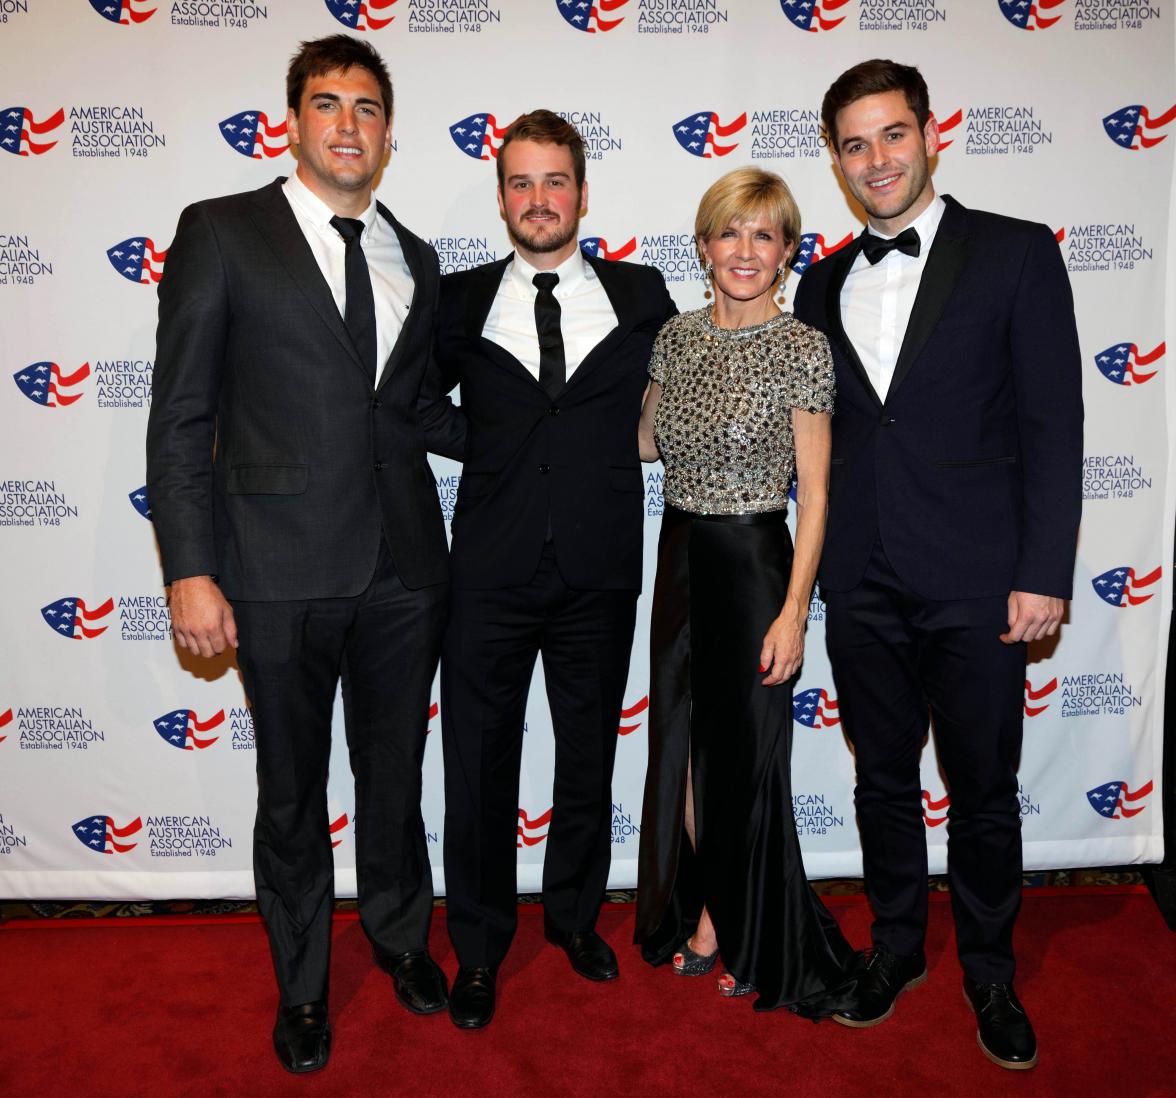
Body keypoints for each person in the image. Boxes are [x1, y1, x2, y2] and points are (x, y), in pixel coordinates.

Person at [146, 35, 465, 1074]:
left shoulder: (412, 255)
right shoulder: (223, 232)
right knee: (291, 793)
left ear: (386, 131)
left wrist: (556, 420)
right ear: (294, 120)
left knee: (394, 776)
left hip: (406, 568)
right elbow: (182, 413)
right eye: (327, 104)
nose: (347, 124)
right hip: (274, 571)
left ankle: (401, 939)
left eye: (366, 107)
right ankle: (302, 989)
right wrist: (190, 569)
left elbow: (414, 410)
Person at [793, 59, 1083, 1069]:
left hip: (980, 578)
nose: (876, 159)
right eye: (855, 143)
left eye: (892, 134)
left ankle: (992, 971)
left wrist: (1045, 569)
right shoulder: (822, 280)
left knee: (983, 786)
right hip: (861, 577)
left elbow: (1053, 422)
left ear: (930, 132)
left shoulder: (1014, 254)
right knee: (880, 779)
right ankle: (898, 948)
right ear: (835, 159)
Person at [435, 110, 677, 1030]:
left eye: (556, 181)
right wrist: (491, 445)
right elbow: (409, 404)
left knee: (587, 757)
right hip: (488, 576)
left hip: (600, 568)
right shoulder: (456, 300)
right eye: (522, 183)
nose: (540, 200)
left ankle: (576, 919)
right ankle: (483, 947)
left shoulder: (641, 292)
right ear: (502, 197)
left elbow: (673, 398)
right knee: (478, 767)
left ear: (582, 191)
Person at [634, 167, 857, 1015]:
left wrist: (796, 612)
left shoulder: (802, 346)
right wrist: (660, 381)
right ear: (703, 246)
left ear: (786, 254)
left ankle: (747, 925)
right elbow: (648, 446)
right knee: (687, 747)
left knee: (749, 763)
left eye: (765, 235)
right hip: (681, 554)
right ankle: (708, 913)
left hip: (757, 562)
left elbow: (818, 491)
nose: (745, 250)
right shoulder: (676, 337)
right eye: (731, 232)